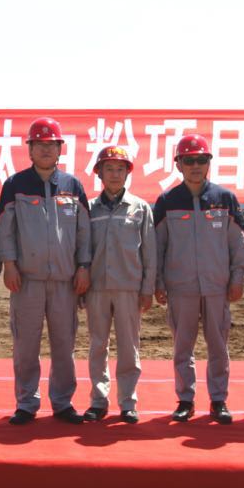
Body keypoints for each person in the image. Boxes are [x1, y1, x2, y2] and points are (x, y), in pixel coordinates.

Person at [0, 116, 91, 425]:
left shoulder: (72, 186)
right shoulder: (15, 185)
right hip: (27, 281)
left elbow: (83, 233)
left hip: (65, 281)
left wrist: (83, 267)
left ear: (60, 149)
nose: (46, 150)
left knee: (64, 345)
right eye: (39, 144)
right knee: (26, 345)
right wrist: (9, 264)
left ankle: (62, 402)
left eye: (51, 144)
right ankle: (26, 403)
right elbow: (5, 230)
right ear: (30, 150)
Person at [153, 135, 244, 424]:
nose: (195, 165)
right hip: (181, 288)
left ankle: (218, 400)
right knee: (183, 346)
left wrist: (237, 277)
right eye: (189, 160)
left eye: (201, 160)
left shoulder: (225, 199)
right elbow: (158, 246)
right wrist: (158, 282)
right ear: (178, 165)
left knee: (218, 345)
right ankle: (185, 400)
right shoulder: (167, 201)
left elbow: (238, 243)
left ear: (209, 163)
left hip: (217, 287)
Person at [83, 145, 156, 424]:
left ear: (128, 173)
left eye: (120, 169)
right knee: (97, 346)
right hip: (96, 289)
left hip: (129, 288)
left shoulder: (140, 208)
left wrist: (147, 288)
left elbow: (149, 253)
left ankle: (128, 402)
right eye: (109, 169)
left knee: (129, 347)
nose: (115, 174)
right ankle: (98, 401)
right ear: (99, 173)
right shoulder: (89, 209)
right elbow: (82, 249)